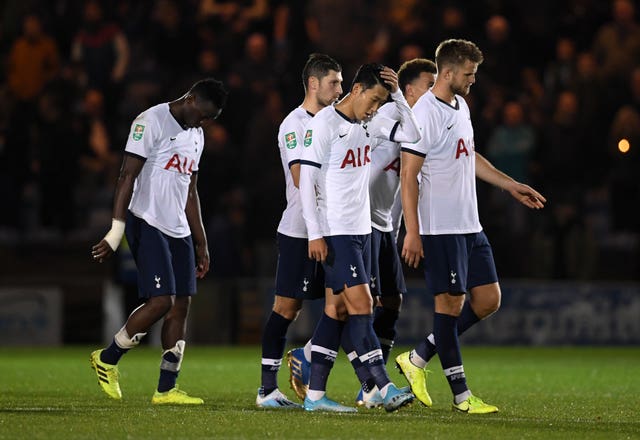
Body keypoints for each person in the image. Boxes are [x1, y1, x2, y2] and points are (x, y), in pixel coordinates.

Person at [396, 39, 546, 414]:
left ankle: (417, 358)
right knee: (449, 306)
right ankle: (462, 396)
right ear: (447, 73)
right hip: (440, 226)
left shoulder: (461, 105)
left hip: (469, 223)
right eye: (469, 74)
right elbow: (408, 176)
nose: (473, 80)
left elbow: (469, 154)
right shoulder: (424, 114)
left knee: (488, 299)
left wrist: (509, 184)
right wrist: (412, 231)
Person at [89, 78, 228, 404]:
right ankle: (107, 359)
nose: (204, 122)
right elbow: (126, 176)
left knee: (182, 304)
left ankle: (166, 388)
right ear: (191, 99)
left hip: (178, 227)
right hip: (147, 221)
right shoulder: (150, 121)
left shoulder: (197, 135)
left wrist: (201, 240)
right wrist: (116, 231)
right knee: (161, 301)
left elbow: (190, 190)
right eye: (203, 114)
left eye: (211, 119)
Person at [298, 63, 420, 412]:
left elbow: (412, 134)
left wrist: (397, 95)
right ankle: (383, 387)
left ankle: (315, 396)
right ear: (356, 90)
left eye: (382, 102)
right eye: (374, 99)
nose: (375, 107)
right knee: (363, 305)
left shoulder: (372, 122)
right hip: (336, 232)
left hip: (362, 231)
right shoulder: (324, 125)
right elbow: (307, 182)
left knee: (336, 310)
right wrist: (315, 233)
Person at [256, 53, 344, 409]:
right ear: (313, 83)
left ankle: (309, 360)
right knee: (286, 309)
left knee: (346, 304)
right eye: (334, 82)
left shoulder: (338, 120)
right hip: (300, 229)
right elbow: (299, 177)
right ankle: (266, 391)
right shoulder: (294, 124)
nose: (340, 89)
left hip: (335, 227)